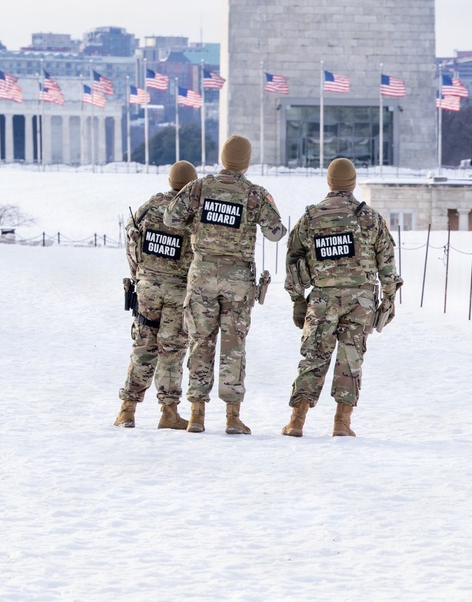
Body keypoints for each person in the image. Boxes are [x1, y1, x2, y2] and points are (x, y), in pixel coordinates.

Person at [164, 135, 286, 435]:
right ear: (246, 162)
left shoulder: (200, 187)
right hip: (238, 281)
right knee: (233, 347)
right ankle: (232, 417)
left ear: (222, 157)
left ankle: (196, 415)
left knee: (199, 343)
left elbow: (171, 219)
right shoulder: (255, 194)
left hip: (202, 275)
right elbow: (276, 233)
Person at [281, 157, 399, 439]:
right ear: (353, 183)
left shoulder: (311, 217)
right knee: (351, 358)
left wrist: (298, 300)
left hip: (322, 299)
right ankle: (341, 423)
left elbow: (293, 259)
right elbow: (387, 262)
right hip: (361, 301)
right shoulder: (369, 217)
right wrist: (389, 299)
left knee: (313, 357)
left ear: (330, 183)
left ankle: (297, 421)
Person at [114, 160, 197, 430]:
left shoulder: (148, 206)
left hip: (147, 286)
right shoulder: (193, 211)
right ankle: (169, 412)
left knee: (143, 347)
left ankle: (127, 410)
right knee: (172, 350)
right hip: (179, 289)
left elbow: (131, 241)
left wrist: (139, 275)